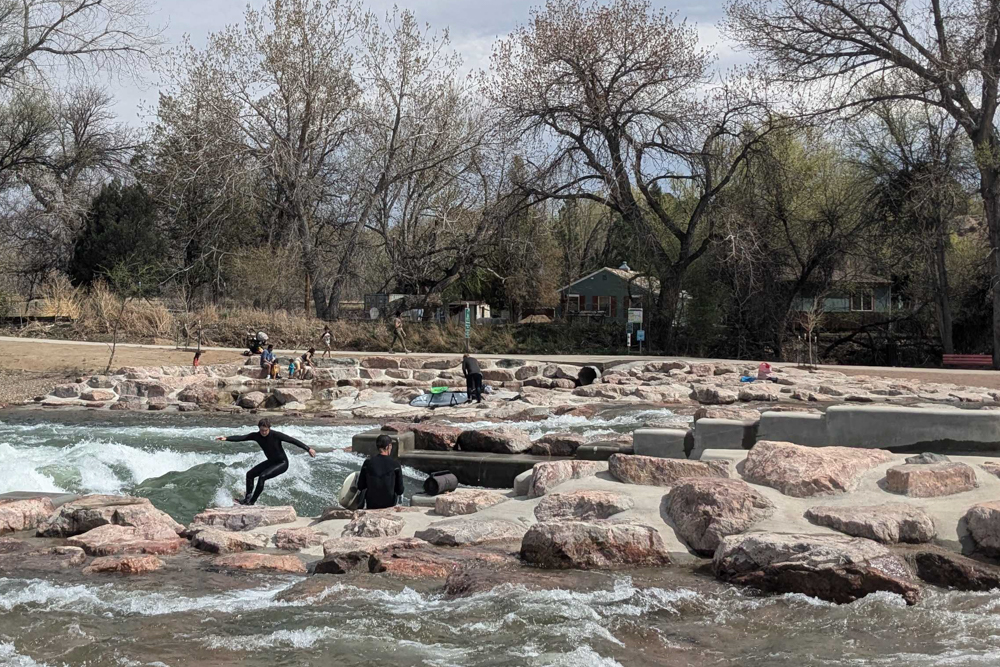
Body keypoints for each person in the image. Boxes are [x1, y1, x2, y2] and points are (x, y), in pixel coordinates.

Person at [215, 418, 316, 506]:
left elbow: (292, 440)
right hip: (271, 461)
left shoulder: (276, 435)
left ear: (269, 428)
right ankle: (247, 499)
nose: (263, 432)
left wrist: (308, 449)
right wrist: (226, 438)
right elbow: (242, 437)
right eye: (261, 430)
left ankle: (251, 502)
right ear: (259, 428)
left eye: (265, 430)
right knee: (250, 474)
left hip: (282, 463)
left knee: (262, 476)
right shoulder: (256, 436)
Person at [357, 434, 404, 509]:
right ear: (388, 446)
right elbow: (400, 490)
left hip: (371, 504)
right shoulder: (395, 464)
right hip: (389, 504)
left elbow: (360, 486)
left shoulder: (368, 463)